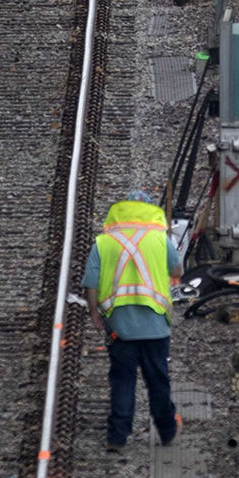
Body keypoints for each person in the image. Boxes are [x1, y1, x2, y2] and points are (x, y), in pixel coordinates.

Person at [88, 191, 179, 449]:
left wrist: (95, 314)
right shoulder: (161, 239)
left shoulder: (104, 242)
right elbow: (177, 270)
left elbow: (91, 283)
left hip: (120, 328)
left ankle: (117, 437)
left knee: (122, 380)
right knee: (158, 379)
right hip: (156, 327)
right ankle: (167, 431)